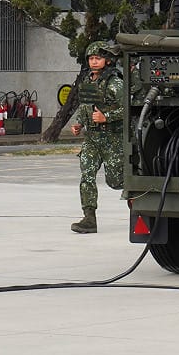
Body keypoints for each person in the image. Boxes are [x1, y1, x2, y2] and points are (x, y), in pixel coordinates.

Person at [70, 41, 125, 234]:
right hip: (92, 138)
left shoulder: (115, 82)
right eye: (91, 58)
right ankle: (89, 218)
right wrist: (79, 123)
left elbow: (128, 109)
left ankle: (142, 211)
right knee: (87, 176)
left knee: (117, 181)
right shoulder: (87, 81)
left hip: (112, 139)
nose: (94, 62)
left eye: (98, 58)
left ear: (107, 60)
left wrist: (106, 117)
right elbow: (85, 105)